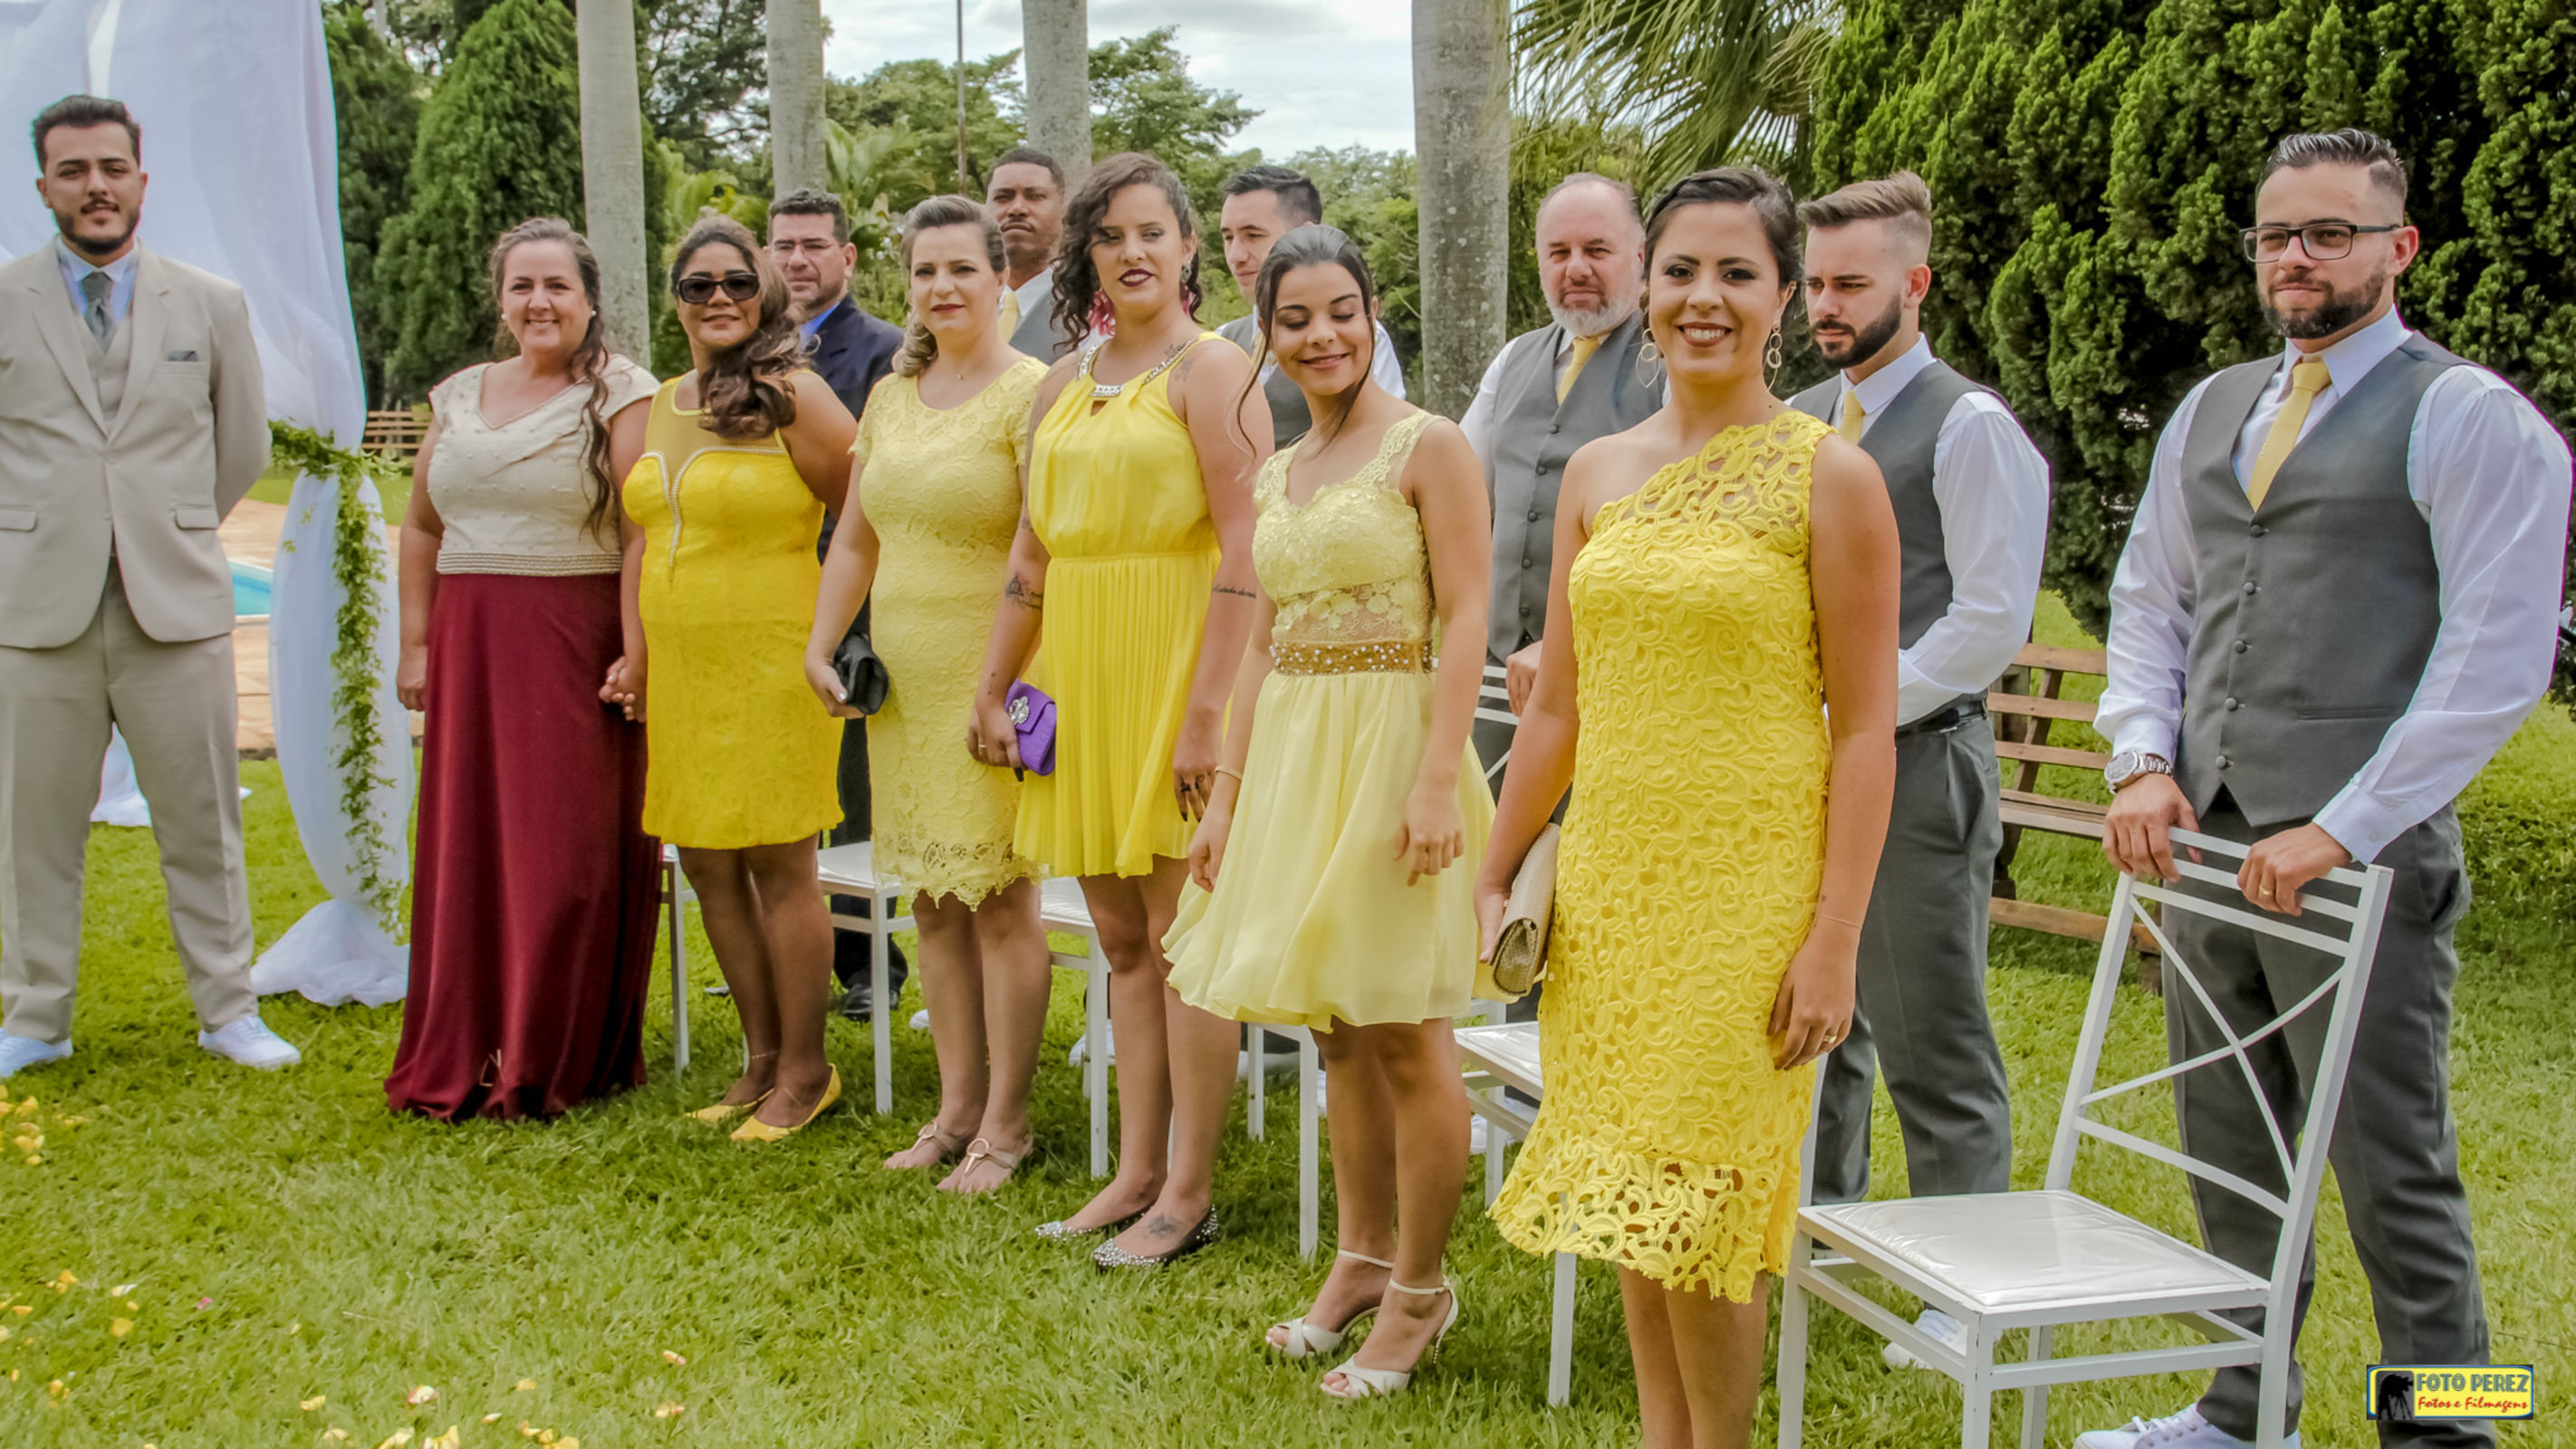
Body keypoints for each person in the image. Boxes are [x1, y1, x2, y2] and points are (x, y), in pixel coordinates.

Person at [2081, 129, 2571, 1449]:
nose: (2295, 258)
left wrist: (2342, 827)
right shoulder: (2213, 407)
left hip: (2361, 862)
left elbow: (2495, 662)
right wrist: (2138, 757)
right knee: (2228, 1153)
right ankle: (2246, 1415)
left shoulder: (2470, 418)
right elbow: (2151, 604)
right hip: (2203, 853)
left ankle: (2450, 1433)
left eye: (2328, 234)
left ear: (2398, 248)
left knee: (2393, 1174)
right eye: (2275, 235)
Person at [1476, 168, 1899, 1449]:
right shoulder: (1601, 470)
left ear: (1780, 298)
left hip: (1747, 897)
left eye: (1736, 274)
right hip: (1611, 886)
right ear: (1648, 291)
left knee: (1707, 1217)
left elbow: (1871, 728)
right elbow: (1557, 704)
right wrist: (1495, 872)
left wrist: (1832, 939)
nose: (1702, 299)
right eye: (1681, 272)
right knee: (1625, 1196)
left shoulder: (1832, 478)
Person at [1164, 226, 1493, 1397]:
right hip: (1297, 756)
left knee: (1407, 1031)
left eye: (1341, 310)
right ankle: (1357, 1261)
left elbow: (1467, 621)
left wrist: (1434, 778)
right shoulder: (1280, 471)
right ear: (1268, 332)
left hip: (1397, 745)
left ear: (1371, 311)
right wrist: (1227, 806)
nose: (1322, 335)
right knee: (1336, 1028)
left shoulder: (1429, 445)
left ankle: (1420, 1289)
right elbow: (1261, 643)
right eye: (1296, 318)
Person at [966, 152, 1268, 1263]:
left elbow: (1250, 544)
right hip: (1083, 672)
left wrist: (1209, 715)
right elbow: (1032, 547)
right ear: (1084, 254)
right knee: (1120, 936)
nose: (1133, 252)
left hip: (1181, 661)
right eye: (1111, 236)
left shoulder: (1214, 371)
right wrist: (997, 677)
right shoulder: (1062, 382)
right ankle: (1136, 1169)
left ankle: (1188, 1192)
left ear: (1191, 247)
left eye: (1154, 232)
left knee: (1183, 936)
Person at [1787, 171, 2051, 1363]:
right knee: (1809, 1017)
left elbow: (1990, 617)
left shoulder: (1968, 424)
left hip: (1916, 768)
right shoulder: (1797, 418)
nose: (1826, 306)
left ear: (1916, 282)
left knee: (1933, 1034)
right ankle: (1822, 1229)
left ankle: (1968, 1287)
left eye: (1851, 283)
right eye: (1815, 283)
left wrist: (1857, 702)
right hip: (1797, 771)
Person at [0, 95, 296, 1078]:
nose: (96, 187)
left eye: (112, 168)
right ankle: (36, 1018)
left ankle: (228, 1010)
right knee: (30, 830)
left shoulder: (208, 303)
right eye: (74, 170)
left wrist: (162, 528)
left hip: (175, 608)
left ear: (141, 178)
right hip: (39, 612)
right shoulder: (5, 300)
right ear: (43, 184)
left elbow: (243, 443)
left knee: (202, 821)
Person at [385, 218, 660, 1120]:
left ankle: (553, 1049)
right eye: (521, 287)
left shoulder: (621, 393)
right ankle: (468, 1034)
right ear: (500, 300)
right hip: (470, 638)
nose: (539, 303)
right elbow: (423, 526)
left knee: (562, 852)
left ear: (589, 298)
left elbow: (641, 530)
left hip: (571, 638)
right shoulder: (460, 393)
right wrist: (417, 643)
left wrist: (634, 645)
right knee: (471, 841)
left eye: (557, 286)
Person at [804, 196, 1053, 1193]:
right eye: (924, 272)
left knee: (999, 899)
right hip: (902, 685)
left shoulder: (1033, 393)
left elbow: (1043, 549)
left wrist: (1005, 684)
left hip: (992, 673)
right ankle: (954, 1108)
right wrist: (823, 644)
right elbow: (858, 536)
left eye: (961, 268)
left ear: (1000, 280)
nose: (942, 288)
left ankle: (1008, 1122)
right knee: (935, 903)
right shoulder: (891, 397)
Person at [604, 216, 858, 1142]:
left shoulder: (799, 395)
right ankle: (757, 1058)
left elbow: (863, 516)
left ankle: (806, 1068)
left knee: (779, 862)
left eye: (737, 284)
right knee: (708, 861)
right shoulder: (662, 403)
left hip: (772, 657)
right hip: (683, 663)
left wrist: (837, 636)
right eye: (697, 283)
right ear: (676, 300)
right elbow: (641, 534)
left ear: (767, 296)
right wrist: (636, 648)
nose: (718, 299)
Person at [1459, 174, 1663, 794]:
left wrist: (1567, 642)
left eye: (1596, 250)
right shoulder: (1514, 359)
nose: (1575, 268)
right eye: (1559, 252)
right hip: (1496, 682)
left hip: (1619, 681)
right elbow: (1460, 495)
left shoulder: (1671, 366)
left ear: (1641, 256)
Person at [768, 187, 910, 1023]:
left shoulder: (883, 354)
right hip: (767, 595)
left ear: (848, 259)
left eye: (815, 245)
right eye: (784, 245)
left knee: (853, 792)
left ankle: (868, 961)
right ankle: (798, 943)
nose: (798, 260)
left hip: (854, 596)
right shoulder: (745, 352)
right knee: (786, 777)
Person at [1213, 165, 1408, 448]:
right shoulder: (1221, 341)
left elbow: (1391, 445)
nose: (1236, 256)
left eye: (1252, 236)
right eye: (1228, 238)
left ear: (1306, 233)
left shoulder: (1360, 340)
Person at [987, 148, 1076, 360]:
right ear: (984, 209)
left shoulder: (1087, 309)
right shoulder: (963, 305)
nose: (1017, 208)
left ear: (1063, 210)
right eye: (1003, 197)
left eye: (1035, 196)